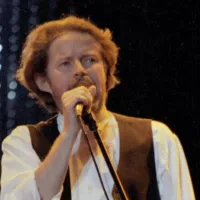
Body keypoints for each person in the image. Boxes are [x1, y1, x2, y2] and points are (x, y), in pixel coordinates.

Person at [0, 15, 195, 200]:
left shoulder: (156, 138)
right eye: (65, 63)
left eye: (90, 60)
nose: (79, 70)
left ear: (107, 72)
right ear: (43, 82)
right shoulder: (25, 143)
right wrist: (69, 134)